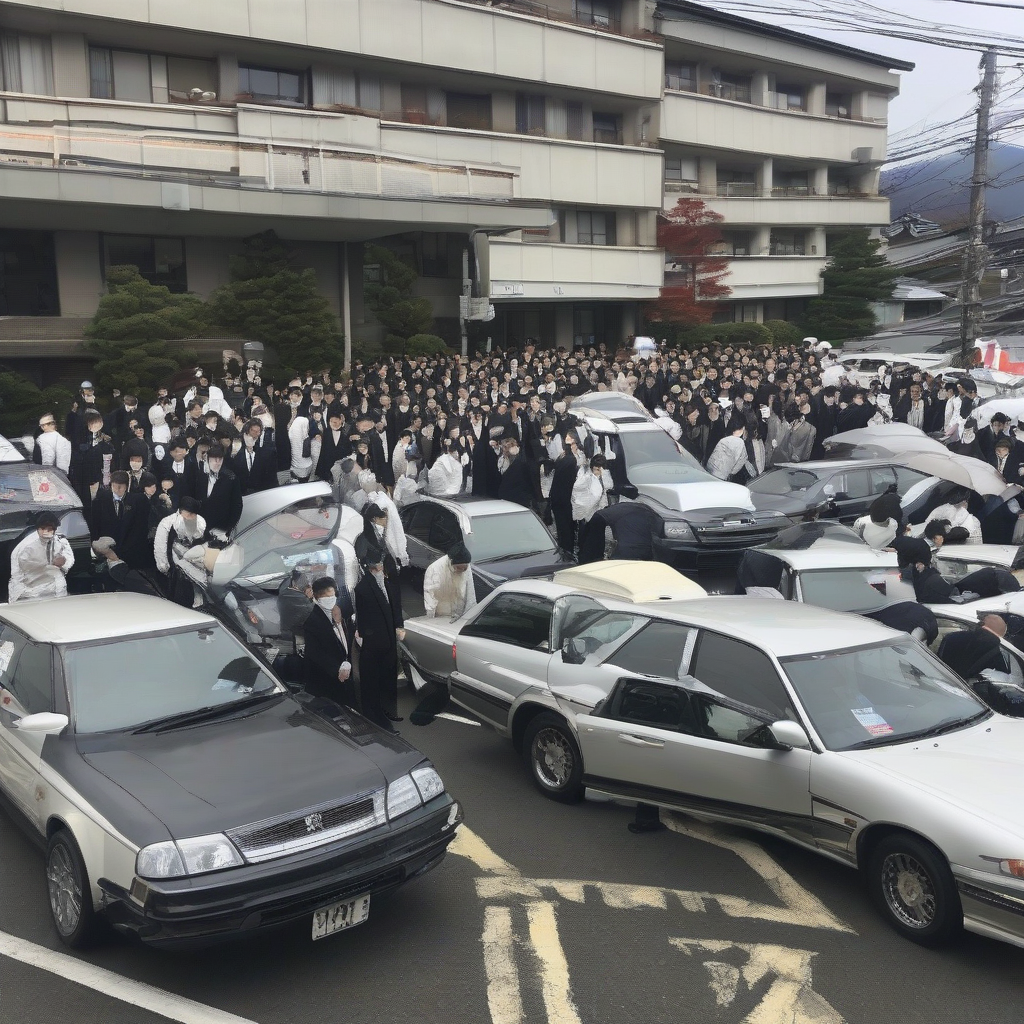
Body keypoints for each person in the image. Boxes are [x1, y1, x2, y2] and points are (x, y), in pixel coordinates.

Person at [354, 545, 405, 731]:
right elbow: (364, 620)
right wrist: (372, 643)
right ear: (370, 568)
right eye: (377, 566)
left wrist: (399, 626)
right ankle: (376, 719)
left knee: (388, 680)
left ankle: (389, 710)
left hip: (390, 641)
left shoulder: (386, 582)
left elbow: (395, 606)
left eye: (381, 565)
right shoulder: (363, 589)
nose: (380, 569)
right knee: (373, 684)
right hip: (375, 645)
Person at [302, 577, 355, 707]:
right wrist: (337, 668)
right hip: (328, 677)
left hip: (346, 671)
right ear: (316, 597)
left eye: (332, 596)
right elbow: (314, 652)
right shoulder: (312, 621)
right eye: (326, 598)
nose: (330, 600)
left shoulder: (339, 611)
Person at [9, 512, 74, 602]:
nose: (45, 532)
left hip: (57, 592)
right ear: (37, 529)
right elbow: (20, 572)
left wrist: (64, 561)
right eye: (43, 528)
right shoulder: (27, 546)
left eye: (49, 529)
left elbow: (68, 557)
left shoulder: (60, 540)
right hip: (31, 594)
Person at [938, 614, 1008, 680]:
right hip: (963, 690)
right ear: (1001, 634)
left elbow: (938, 658)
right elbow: (1001, 681)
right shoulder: (997, 654)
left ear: (982, 623)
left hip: (938, 679)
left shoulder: (952, 637)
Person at [194, 444, 243, 536]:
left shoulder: (231, 478)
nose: (217, 463)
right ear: (208, 460)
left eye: (220, 459)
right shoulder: (201, 475)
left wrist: (228, 528)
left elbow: (237, 505)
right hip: (202, 526)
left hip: (221, 528)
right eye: (214, 459)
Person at [423, 542, 477, 620]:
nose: (462, 571)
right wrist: (430, 617)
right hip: (442, 611)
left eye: (464, 568)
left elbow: (470, 592)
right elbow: (429, 595)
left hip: (459, 609)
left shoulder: (466, 568)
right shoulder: (435, 569)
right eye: (459, 568)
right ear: (451, 562)